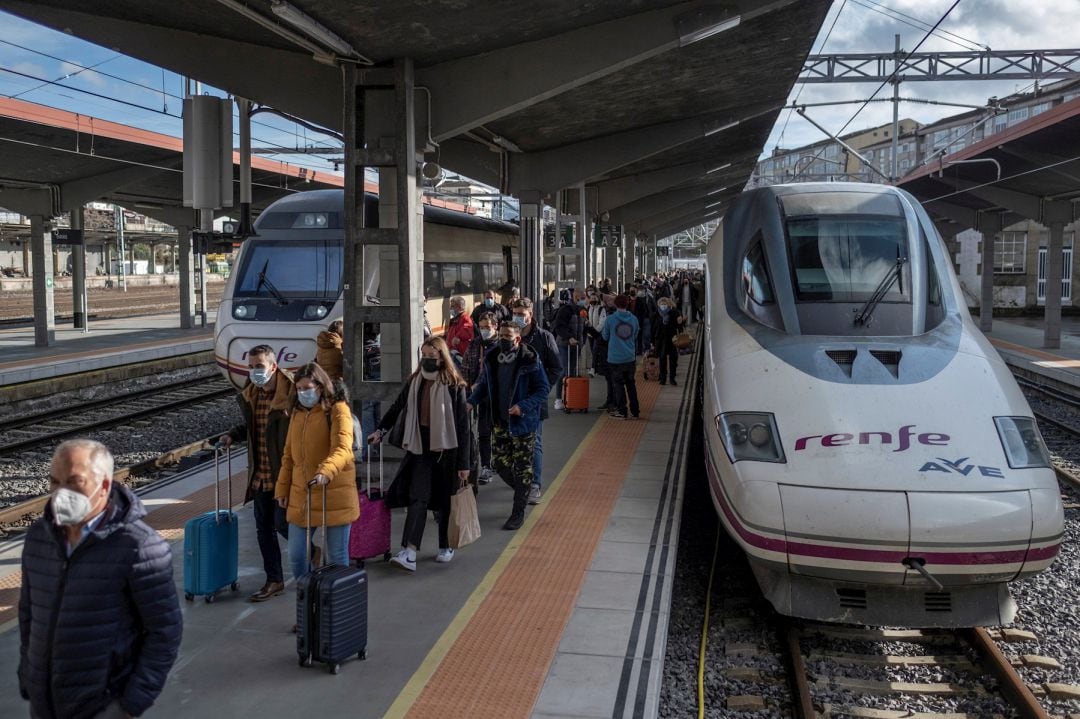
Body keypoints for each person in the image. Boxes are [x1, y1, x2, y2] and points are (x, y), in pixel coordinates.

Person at [19, 439, 182, 719]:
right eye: (55, 482)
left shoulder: (139, 546)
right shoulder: (39, 537)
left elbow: (165, 632)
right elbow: (28, 613)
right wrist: (28, 676)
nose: (61, 494)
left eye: (74, 482)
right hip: (45, 704)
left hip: (102, 707)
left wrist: (129, 705)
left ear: (104, 486)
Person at [369, 337, 472, 570]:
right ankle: (409, 551)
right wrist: (380, 430)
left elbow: (463, 428)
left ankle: (446, 545)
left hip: (448, 451)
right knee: (418, 497)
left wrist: (464, 464)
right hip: (420, 447)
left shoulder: (454, 385)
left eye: (432, 357)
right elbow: (397, 407)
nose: (427, 361)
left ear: (442, 358)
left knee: (445, 501)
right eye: (424, 356)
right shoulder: (415, 381)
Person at [275, 363, 359, 591]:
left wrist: (325, 471)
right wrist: (282, 489)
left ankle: (336, 608)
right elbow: (288, 456)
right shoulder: (297, 414)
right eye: (299, 388)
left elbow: (343, 448)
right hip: (303, 494)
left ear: (321, 386)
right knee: (296, 555)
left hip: (334, 492)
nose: (303, 393)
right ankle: (309, 604)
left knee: (337, 556)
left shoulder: (338, 409)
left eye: (307, 387)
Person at [220, 344, 294, 602]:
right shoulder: (252, 394)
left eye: (259, 367)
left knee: (283, 524)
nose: (254, 372)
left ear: (273, 366)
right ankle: (274, 580)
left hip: (284, 473)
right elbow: (254, 426)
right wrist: (233, 434)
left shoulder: (292, 393)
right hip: (260, 474)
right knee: (264, 529)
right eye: (251, 367)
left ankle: (311, 556)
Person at [467, 321, 549, 530]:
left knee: (523, 468)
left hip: (523, 424)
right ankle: (523, 489)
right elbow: (485, 384)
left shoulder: (530, 359)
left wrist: (523, 406)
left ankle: (517, 512)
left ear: (517, 339)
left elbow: (542, 389)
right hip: (500, 422)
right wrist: (471, 401)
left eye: (508, 337)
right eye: (501, 335)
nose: (503, 340)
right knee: (501, 465)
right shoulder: (493, 357)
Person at [509, 298, 560, 505]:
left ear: (531, 314)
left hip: (534, 400)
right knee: (514, 441)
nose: (518, 317)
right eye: (516, 313)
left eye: (522, 314)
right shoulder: (509, 336)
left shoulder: (544, 338)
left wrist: (542, 388)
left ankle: (535, 484)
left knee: (534, 442)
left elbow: (556, 367)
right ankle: (519, 480)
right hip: (511, 399)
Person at [461, 311, 499, 484]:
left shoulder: (501, 345)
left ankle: (500, 462)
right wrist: (468, 390)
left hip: (498, 396)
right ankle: (486, 466)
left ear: (495, 326)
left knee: (499, 432)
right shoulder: (474, 344)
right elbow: (466, 368)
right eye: (481, 327)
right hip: (479, 396)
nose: (484, 331)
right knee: (483, 432)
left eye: (488, 327)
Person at [602, 294, 640, 420]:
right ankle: (635, 411)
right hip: (630, 357)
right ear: (627, 304)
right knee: (631, 384)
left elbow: (605, 337)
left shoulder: (610, 319)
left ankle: (622, 411)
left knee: (618, 385)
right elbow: (635, 335)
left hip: (615, 358)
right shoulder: (634, 319)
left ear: (615, 304)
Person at [651, 297, 686, 386]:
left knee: (673, 359)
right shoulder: (656, 314)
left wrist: (681, 322)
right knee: (662, 359)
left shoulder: (674, 312)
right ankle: (663, 378)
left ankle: (672, 378)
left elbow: (680, 325)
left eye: (665, 303)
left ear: (669, 304)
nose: (663, 305)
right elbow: (653, 328)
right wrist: (652, 341)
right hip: (660, 339)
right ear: (659, 305)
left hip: (672, 338)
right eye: (661, 304)